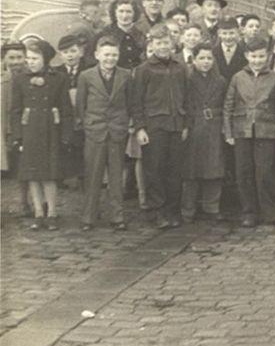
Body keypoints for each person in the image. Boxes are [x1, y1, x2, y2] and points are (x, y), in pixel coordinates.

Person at [224, 37, 275, 227]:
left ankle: (271, 212)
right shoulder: (238, 77)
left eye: (261, 56)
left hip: (266, 131)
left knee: (265, 173)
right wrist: (228, 132)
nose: (258, 60)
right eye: (254, 56)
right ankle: (249, 212)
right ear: (247, 56)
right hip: (241, 130)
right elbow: (228, 104)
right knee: (244, 172)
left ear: (268, 56)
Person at [10, 40, 72, 231]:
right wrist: (18, 136)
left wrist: (65, 135)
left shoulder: (58, 78)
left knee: (49, 175)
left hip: (50, 130)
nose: (31, 62)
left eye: (35, 58)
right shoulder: (20, 79)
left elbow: (66, 109)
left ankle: (52, 212)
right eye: (28, 58)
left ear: (45, 59)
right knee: (32, 175)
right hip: (30, 131)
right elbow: (16, 110)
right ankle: (38, 212)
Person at [132, 24, 189, 229]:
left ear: (172, 43)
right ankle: (158, 211)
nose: (163, 47)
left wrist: (185, 124)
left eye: (166, 42)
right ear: (152, 44)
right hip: (154, 126)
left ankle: (173, 211)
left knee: (175, 171)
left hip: (176, 125)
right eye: (158, 43)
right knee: (154, 170)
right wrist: (140, 128)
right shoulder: (144, 69)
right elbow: (136, 101)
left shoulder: (180, 67)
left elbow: (186, 97)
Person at [76, 35, 132, 231]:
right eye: (106, 55)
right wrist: (88, 126)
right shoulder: (86, 76)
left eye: (114, 55)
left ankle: (117, 217)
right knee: (93, 175)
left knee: (116, 176)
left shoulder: (126, 75)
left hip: (117, 131)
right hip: (95, 132)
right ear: (97, 55)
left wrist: (125, 125)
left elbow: (130, 103)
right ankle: (88, 217)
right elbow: (81, 106)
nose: (110, 59)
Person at [182, 42, 227, 223]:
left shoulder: (220, 81)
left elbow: (225, 104)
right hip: (194, 127)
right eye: (202, 58)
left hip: (214, 127)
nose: (206, 62)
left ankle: (211, 206)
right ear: (194, 59)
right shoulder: (187, 80)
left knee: (214, 167)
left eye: (209, 58)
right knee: (191, 169)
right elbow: (183, 104)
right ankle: (188, 208)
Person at [53, 34, 93, 188]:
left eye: (73, 51)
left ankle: (84, 176)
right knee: (63, 141)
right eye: (65, 52)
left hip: (84, 111)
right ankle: (60, 175)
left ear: (80, 52)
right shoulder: (55, 71)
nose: (70, 55)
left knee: (83, 142)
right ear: (60, 54)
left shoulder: (89, 68)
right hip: (64, 113)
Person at [2, 42, 28, 213]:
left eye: (19, 57)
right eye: (11, 58)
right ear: (4, 59)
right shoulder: (2, 79)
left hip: (22, 128)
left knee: (24, 168)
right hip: (2, 129)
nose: (16, 62)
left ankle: (25, 203)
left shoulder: (30, 77)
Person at [97, 0, 147, 70]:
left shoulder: (140, 35)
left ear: (134, 14)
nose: (124, 16)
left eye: (128, 12)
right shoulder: (104, 34)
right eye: (121, 11)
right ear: (115, 13)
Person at [213, 18, 247, 83]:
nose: (228, 37)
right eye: (224, 33)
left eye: (231, 33)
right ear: (219, 34)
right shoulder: (212, 52)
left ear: (238, 32)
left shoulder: (244, 53)